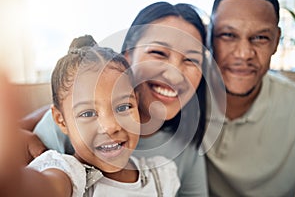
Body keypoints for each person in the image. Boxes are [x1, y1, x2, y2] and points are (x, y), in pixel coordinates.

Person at [22, 2, 209, 196]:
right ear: (128, 57)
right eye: (159, 53)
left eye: (191, 60)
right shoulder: (65, 137)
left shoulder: (179, 155)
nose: (174, 75)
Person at [26, 46, 180, 196]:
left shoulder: (162, 175)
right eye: (88, 113)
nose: (111, 126)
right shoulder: (67, 174)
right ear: (61, 121)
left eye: (123, 107)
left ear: (136, 102)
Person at [203, 0, 295, 196]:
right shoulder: (180, 102)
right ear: (209, 37)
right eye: (228, 35)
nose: (244, 54)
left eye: (260, 38)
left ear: (275, 41)